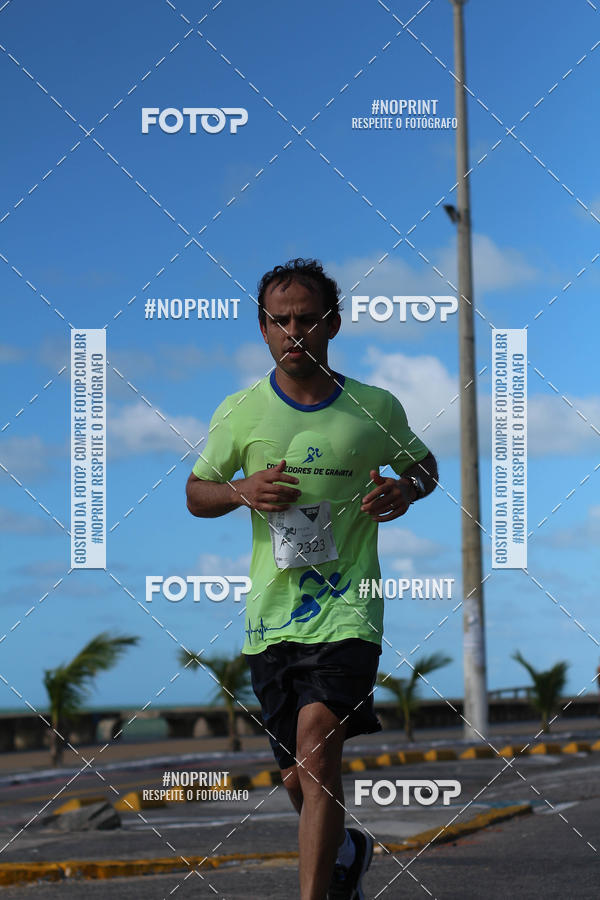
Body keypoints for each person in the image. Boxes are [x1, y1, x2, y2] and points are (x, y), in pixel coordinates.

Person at [186, 258, 438, 900]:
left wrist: (404, 489)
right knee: (301, 772)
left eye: (305, 319)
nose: (292, 331)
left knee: (316, 738)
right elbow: (196, 493)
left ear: (334, 322)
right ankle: (348, 851)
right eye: (279, 320)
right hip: (271, 619)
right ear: (262, 329)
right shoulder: (240, 411)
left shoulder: (373, 407)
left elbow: (425, 466)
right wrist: (240, 490)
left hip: (351, 607)